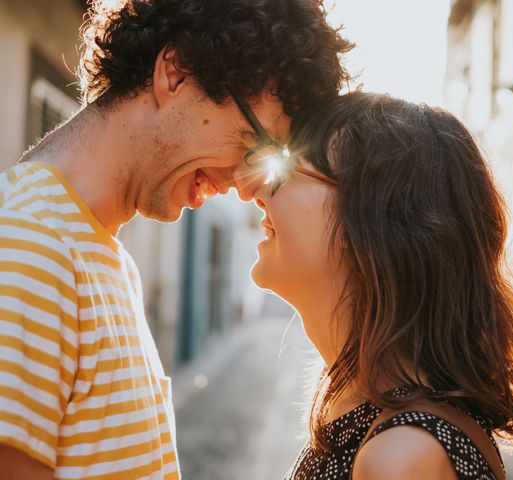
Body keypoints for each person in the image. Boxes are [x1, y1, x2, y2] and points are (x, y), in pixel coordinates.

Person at [0, 0, 351, 478]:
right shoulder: (30, 249)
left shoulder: (95, 254)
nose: (248, 185)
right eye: (253, 145)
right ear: (176, 72)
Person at [242, 92, 513, 479]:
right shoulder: (385, 422)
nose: (258, 193)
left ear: (366, 219)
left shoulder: (402, 455)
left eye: (288, 170)